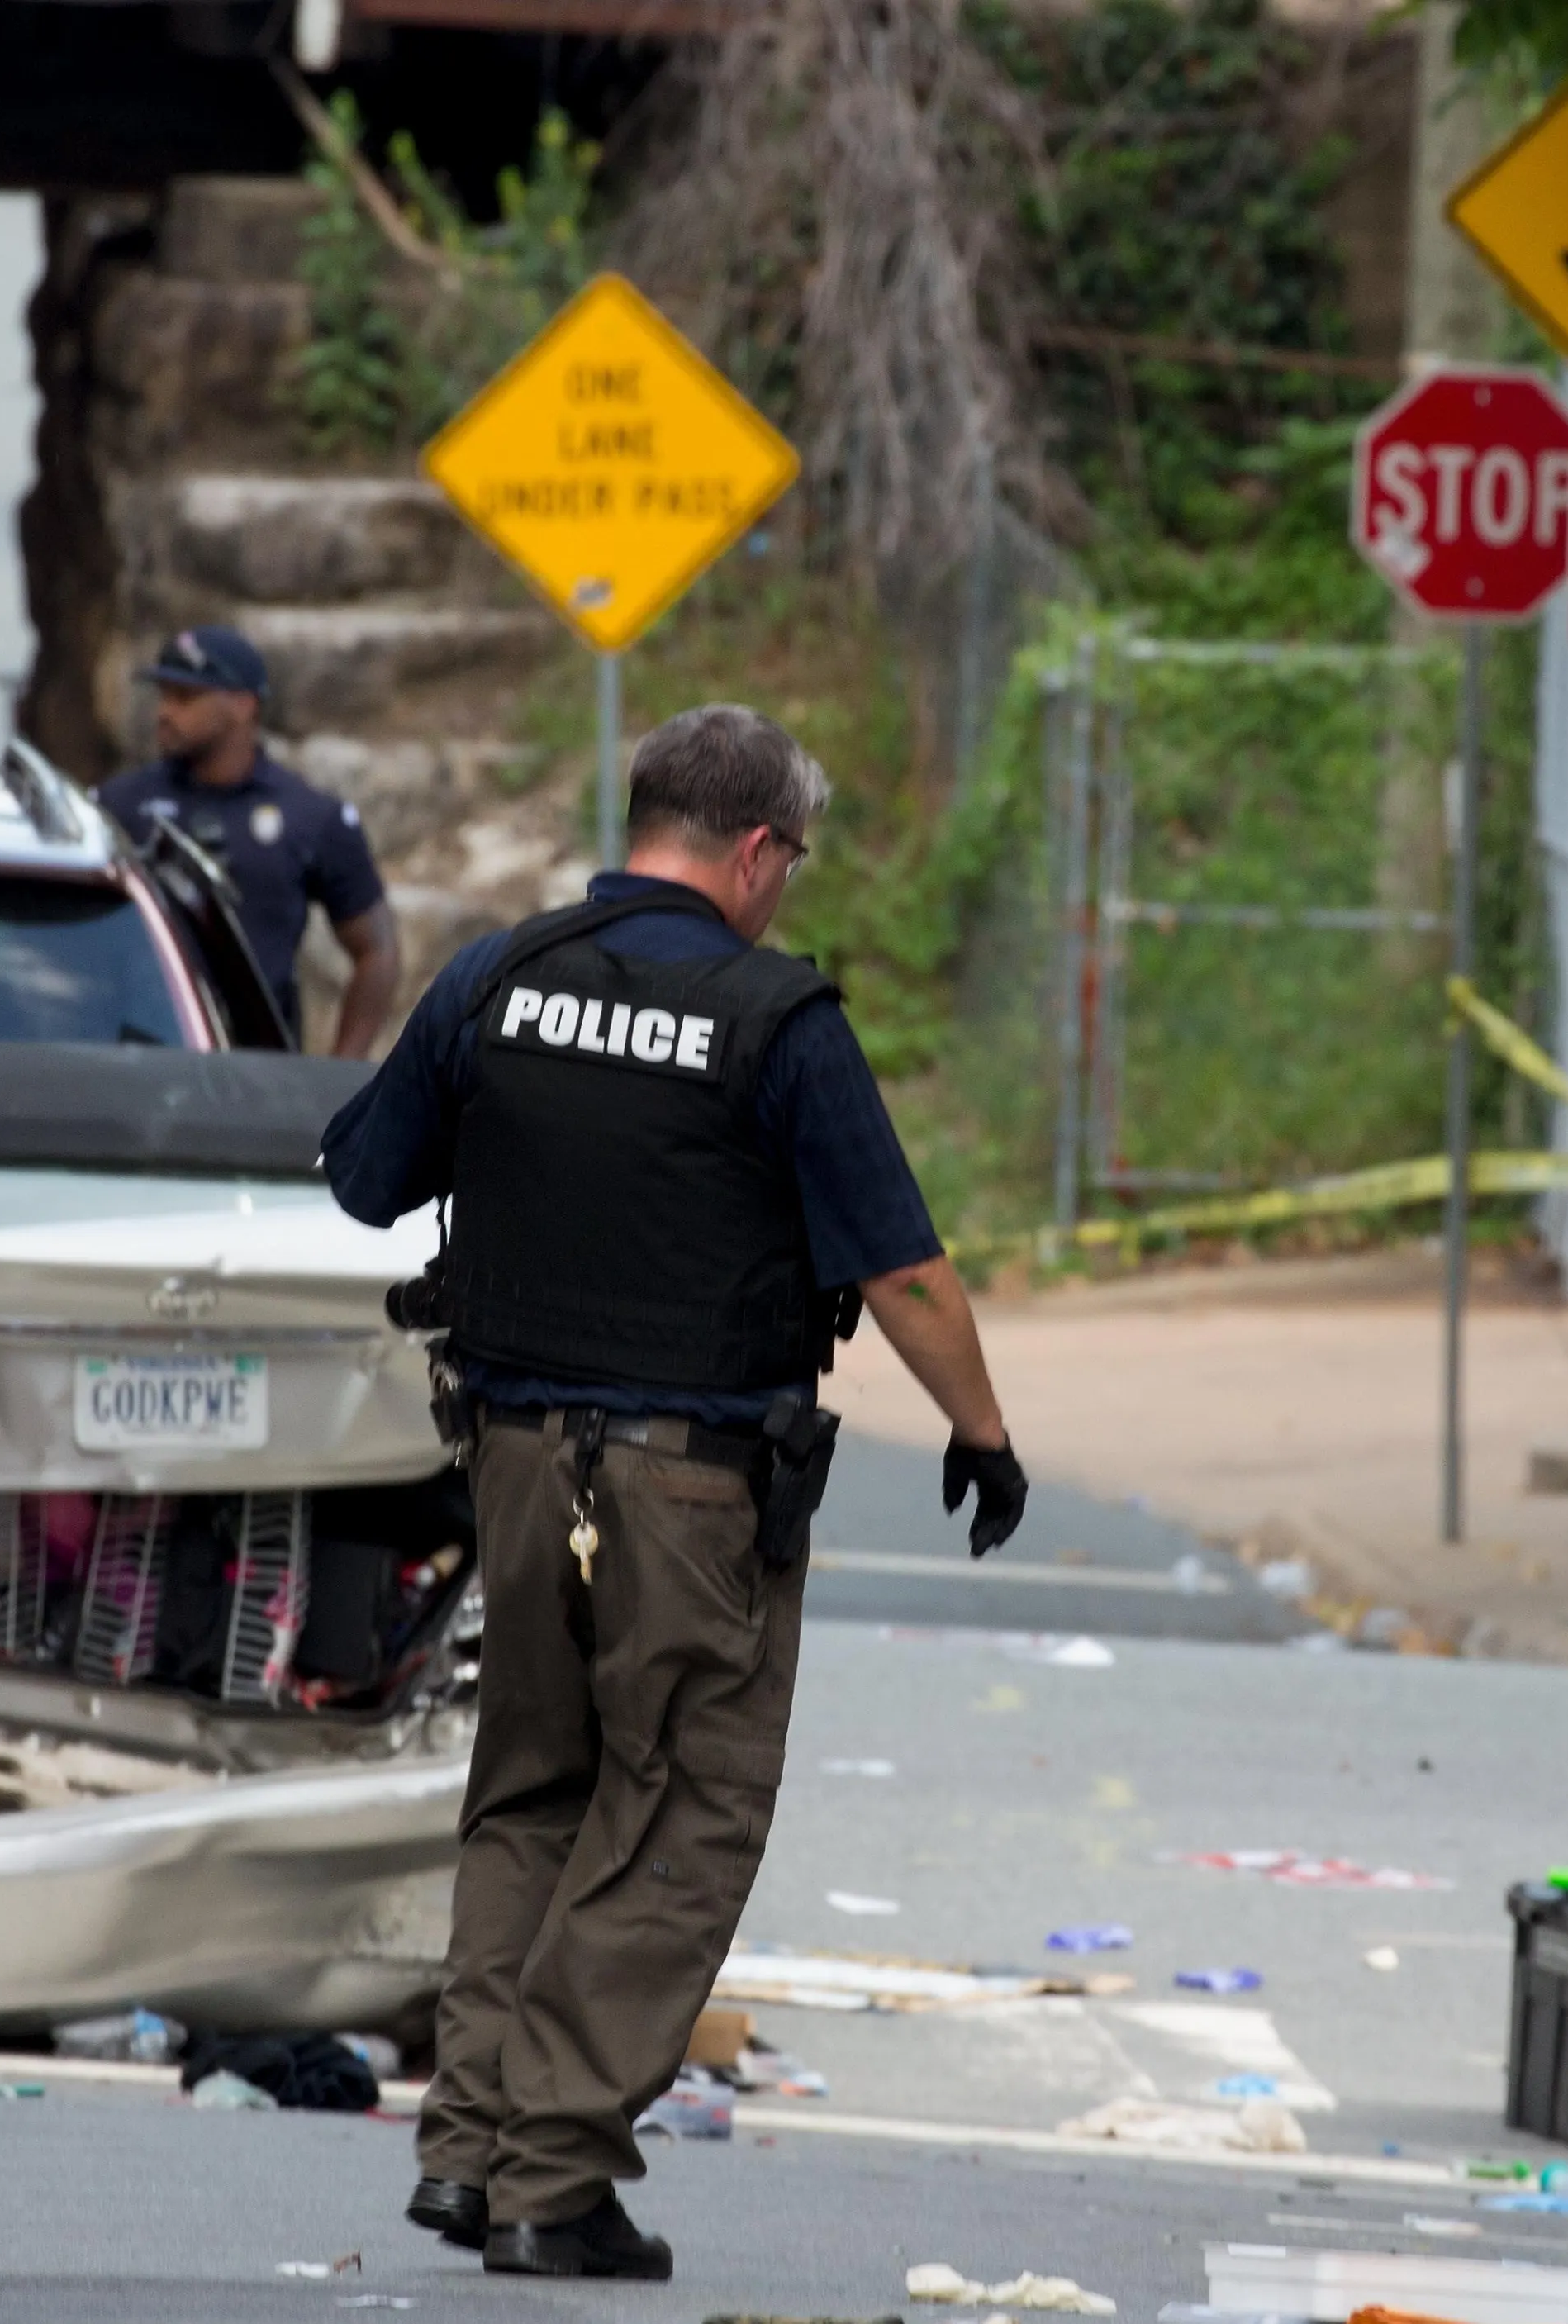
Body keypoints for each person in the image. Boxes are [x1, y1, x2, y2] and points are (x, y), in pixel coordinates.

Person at [321, 703, 1026, 2280]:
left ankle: (473, 2145)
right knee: (684, 1807)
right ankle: (551, 2179)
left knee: (530, 1792)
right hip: (693, 1489)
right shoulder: (778, 1017)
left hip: (511, 1457)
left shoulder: (495, 977)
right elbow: (901, 1271)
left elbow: (368, 1175)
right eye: (797, 859)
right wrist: (981, 1431)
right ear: (760, 851)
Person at [97, 624, 401, 1057]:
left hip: (260, 1070)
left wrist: (341, 1077)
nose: (165, 712)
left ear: (243, 705)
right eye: (163, 695)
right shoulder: (121, 804)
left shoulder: (310, 817)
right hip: (138, 1055)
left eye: (185, 698)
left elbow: (377, 950)